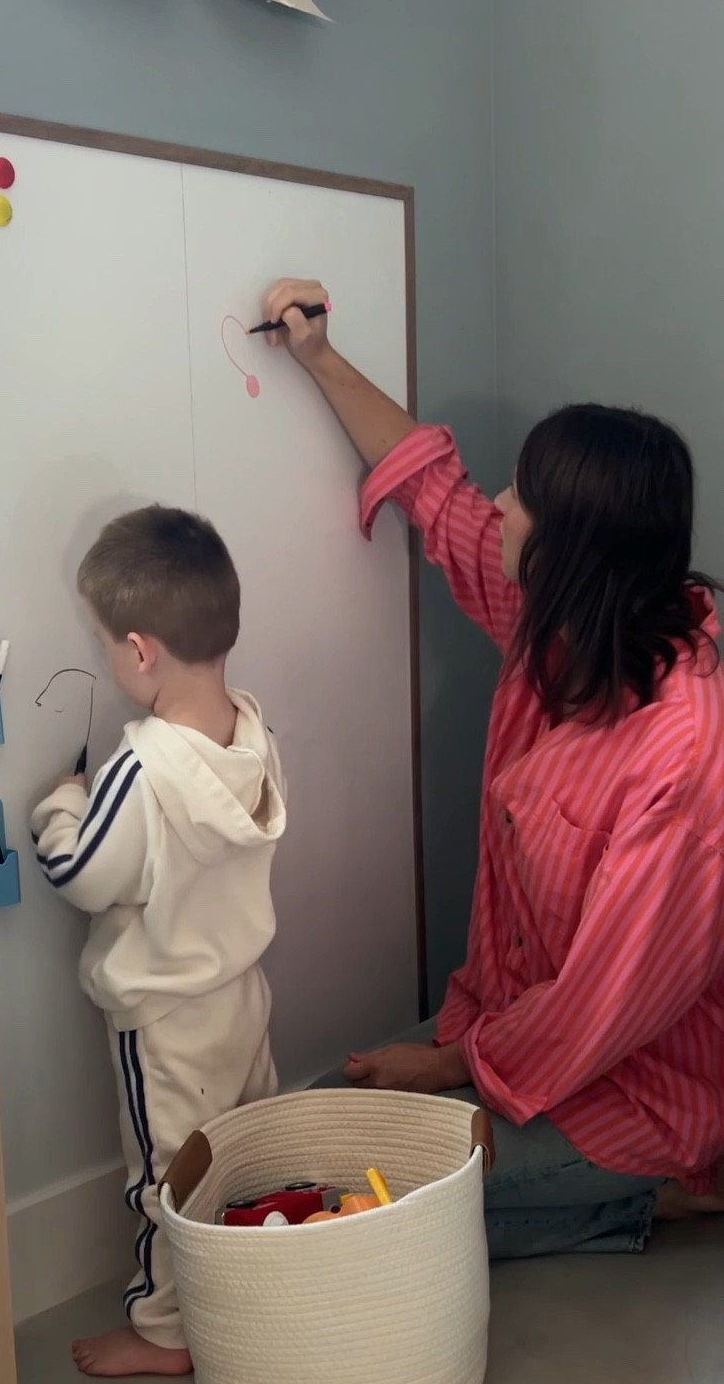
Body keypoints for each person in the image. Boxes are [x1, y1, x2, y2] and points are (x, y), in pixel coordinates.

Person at [262, 276, 724, 1257]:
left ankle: (670, 1188)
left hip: (646, 1088)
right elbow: (438, 492)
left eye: (526, 498)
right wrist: (318, 356)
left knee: (371, 1208)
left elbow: (612, 999)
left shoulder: (681, 752)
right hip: (517, 1036)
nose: (502, 505)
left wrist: (447, 1066)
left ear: (568, 551)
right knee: (304, 1136)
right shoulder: (559, 626)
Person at [32, 504, 286, 1372]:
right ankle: (247, 1288)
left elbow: (83, 874)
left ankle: (166, 1334)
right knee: (242, 1150)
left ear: (139, 652)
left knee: (168, 1174)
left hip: (167, 1022)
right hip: (242, 996)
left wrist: (60, 805)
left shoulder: (140, 768)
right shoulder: (249, 734)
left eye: (105, 642)